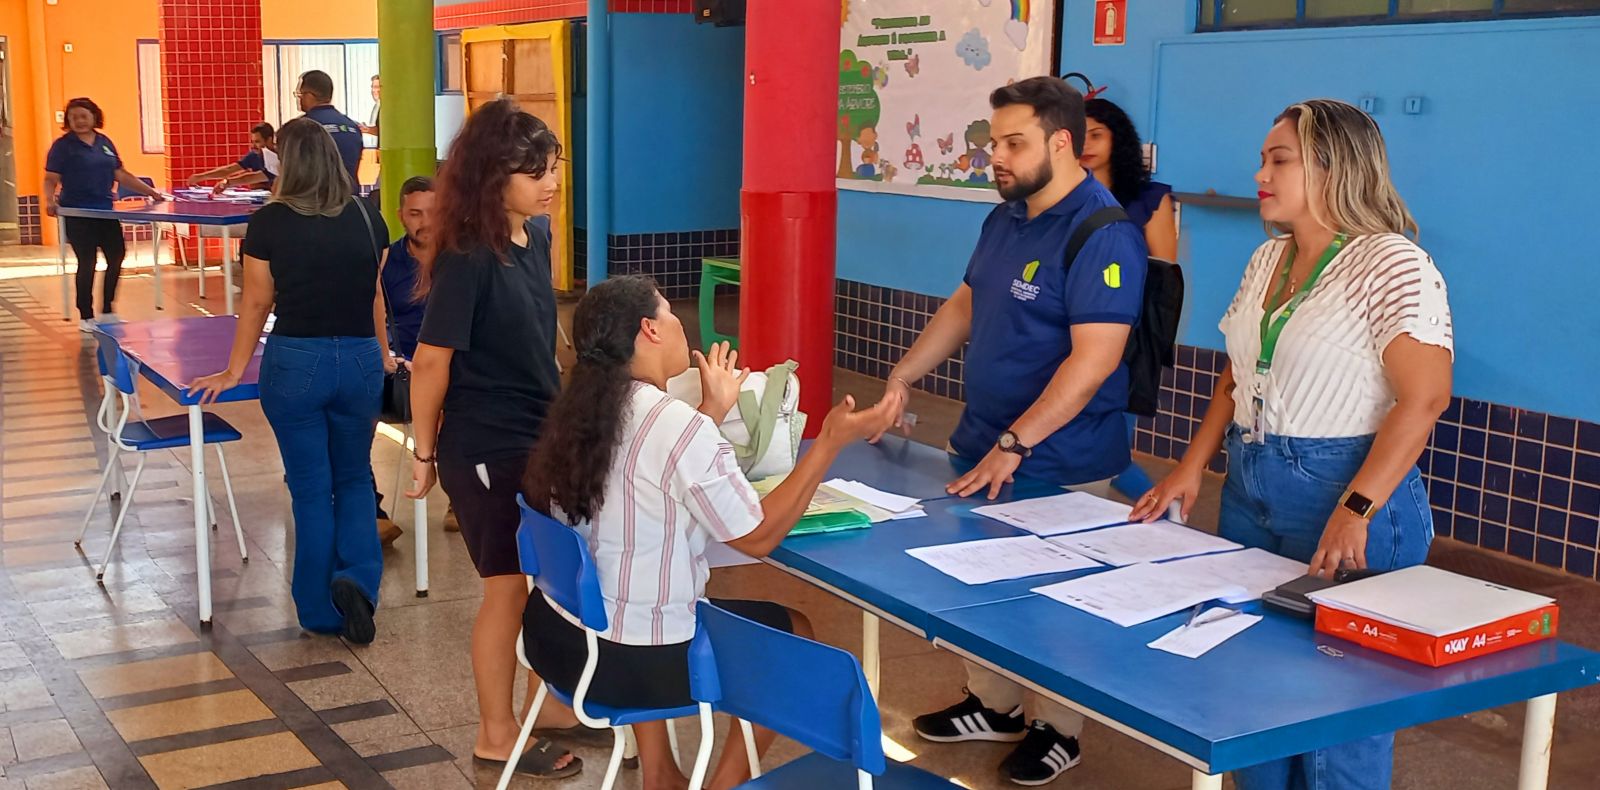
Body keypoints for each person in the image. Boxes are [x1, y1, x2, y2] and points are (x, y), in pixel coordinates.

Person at [1131, 99, 1451, 790]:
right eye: (1264, 159)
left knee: (1337, 715)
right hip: (1252, 481)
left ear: (1335, 168)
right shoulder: (1268, 256)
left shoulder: (1391, 263)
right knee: (1251, 690)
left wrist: (1356, 507)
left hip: (1347, 490)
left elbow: (1423, 398)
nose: (1259, 174)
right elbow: (1239, 374)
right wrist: (1193, 466)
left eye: (1279, 160)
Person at [875, 77, 1149, 787]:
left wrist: (1018, 442)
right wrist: (904, 375)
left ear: (1062, 143)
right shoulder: (1007, 216)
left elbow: (1093, 363)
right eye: (993, 140)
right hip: (983, 443)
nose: (995, 154)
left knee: (1057, 604)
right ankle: (994, 705)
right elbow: (966, 304)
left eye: (1013, 142)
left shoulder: (1102, 230)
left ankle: (1061, 729)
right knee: (981, 590)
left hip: (1061, 459)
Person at [522, 275, 897, 790]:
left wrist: (712, 412)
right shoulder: (673, 424)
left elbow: (649, 469)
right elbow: (758, 537)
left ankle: (661, 774)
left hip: (559, 640)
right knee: (795, 631)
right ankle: (722, 786)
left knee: (643, 593)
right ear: (649, 330)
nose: (683, 327)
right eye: (672, 316)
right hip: (627, 664)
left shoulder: (582, 414)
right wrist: (830, 441)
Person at [404, 99, 578, 780]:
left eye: (554, 167)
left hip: (537, 438)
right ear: (490, 174)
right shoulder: (468, 257)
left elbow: (541, 341)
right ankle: (496, 732)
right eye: (534, 170)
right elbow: (430, 361)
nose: (550, 181)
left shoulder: (533, 238)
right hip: (484, 447)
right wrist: (423, 456)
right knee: (506, 589)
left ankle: (550, 705)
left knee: (547, 584)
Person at [190, 117, 394, 645]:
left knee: (310, 489)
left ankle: (321, 610)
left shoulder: (271, 222)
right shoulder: (370, 218)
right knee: (353, 478)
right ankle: (357, 582)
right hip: (360, 360)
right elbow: (374, 294)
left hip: (297, 362)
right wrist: (384, 352)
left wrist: (235, 369)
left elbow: (257, 301)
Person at [1079, 96, 1178, 500]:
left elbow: (1164, 275)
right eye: (1080, 136)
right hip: (1066, 327)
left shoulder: (1148, 199)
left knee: (1109, 446)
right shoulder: (1063, 197)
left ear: (1118, 140)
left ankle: (1159, 506)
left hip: (1126, 336)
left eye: (1097, 135)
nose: (1087, 144)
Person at [43, 97, 166, 332]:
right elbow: (51, 178)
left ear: (94, 117)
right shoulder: (62, 146)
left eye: (83, 116)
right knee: (87, 262)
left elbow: (120, 173)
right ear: (68, 121)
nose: (79, 121)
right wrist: (49, 200)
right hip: (77, 212)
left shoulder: (104, 142)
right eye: (73, 117)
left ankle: (108, 310)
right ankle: (86, 315)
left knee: (117, 256)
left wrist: (151, 192)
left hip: (105, 212)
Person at [373, 176, 437, 546]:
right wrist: (392, 357)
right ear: (400, 216)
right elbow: (373, 319)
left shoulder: (461, 261)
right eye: (415, 214)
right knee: (353, 422)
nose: (424, 222)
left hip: (450, 369)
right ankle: (372, 513)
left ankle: (461, 499)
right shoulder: (386, 263)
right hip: (399, 369)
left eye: (432, 213)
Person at [296, 70, 363, 188]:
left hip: (315, 200)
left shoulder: (300, 127)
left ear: (309, 96)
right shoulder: (352, 126)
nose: (298, 99)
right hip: (349, 198)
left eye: (300, 95)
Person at [188, 123, 278, 191]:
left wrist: (226, 182)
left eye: (257, 142)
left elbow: (255, 177)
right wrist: (202, 176)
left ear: (269, 139)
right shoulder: (255, 154)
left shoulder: (280, 156)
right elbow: (230, 169)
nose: (253, 146)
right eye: (252, 141)